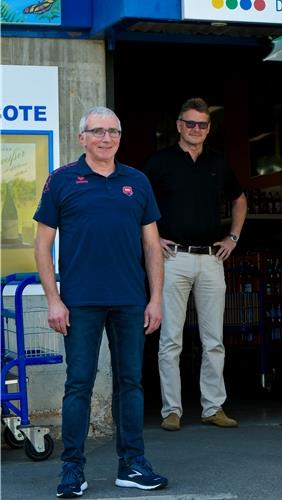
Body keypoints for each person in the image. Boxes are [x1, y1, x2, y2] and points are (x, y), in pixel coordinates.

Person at [34, 107, 168, 497]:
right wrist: (54, 300)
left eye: (112, 132)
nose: (105, 138)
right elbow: (42, 246)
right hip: (79, 304)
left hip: (129, 301)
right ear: (82, 138)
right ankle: (72, 469)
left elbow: (152, 246)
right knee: (79, 384)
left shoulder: (137, 181)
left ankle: (132, 464)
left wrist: (155, 298)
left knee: (131, 383)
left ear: (120, 138)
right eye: (97, 131)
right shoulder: (61, 181)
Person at [143, 97, 247, 431]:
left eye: (202, 124)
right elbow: (138, 204)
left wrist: (233, 237)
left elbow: (239, 199)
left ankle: (213, 407)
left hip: (210, 258)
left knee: (213, 340)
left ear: (208, 127)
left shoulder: (218, 162)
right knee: (171, 339)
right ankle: (171, 410)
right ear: (178, 125)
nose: (196, 129)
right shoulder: (160, 163)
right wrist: (153, 239)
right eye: (190, 123)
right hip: (172, 259)